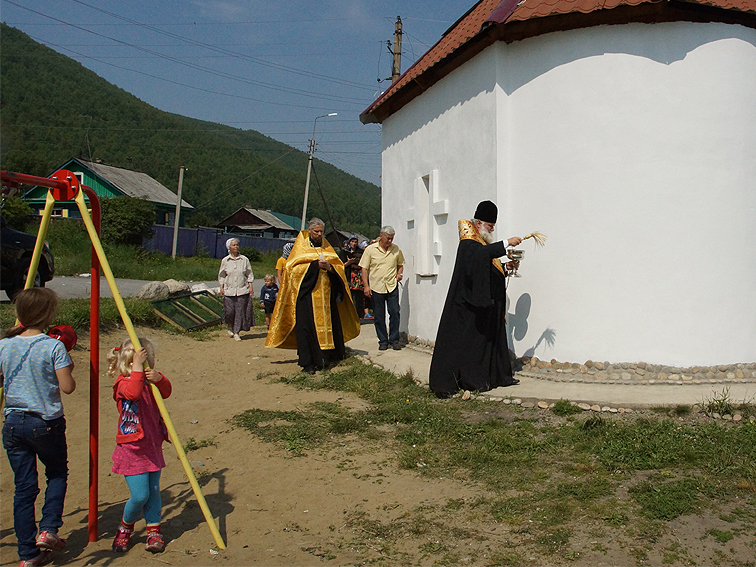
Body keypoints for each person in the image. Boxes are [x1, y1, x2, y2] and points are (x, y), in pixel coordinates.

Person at [1, 288, 76, 567]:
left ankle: (28, 554)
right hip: (45, 423)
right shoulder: (53, 346)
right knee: (56, 473)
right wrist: (68, 366)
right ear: (48, 315)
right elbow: (68, 387)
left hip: (13, 423)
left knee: (24, 488)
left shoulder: (5, 345)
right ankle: (48, 529)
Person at [429, 200, 523, 397]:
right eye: (490, 225)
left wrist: (505, 268)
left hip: (483, 306)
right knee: (467, 344)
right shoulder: (469, 244)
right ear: (478, 223)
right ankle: (466, 379)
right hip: (467, 307)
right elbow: (480, 257)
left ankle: (492, 376)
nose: (492, 229)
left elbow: (485, 269)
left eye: (494, 226)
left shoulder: (481, 244)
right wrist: (506, 243)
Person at [265, 218, 360, 374]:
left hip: (326, 297)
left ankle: (327, 357)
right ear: (309, 231)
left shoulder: (327, 247)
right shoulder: (300, 248)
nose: (319, 234)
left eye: (321, 231)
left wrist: (329, 267)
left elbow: (338, 268)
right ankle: (308, 362)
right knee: (307, 329)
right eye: (316, 231)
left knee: (329, 327)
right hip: (307, 297)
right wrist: (315, 265)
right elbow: (292, 271)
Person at [108, 337, 172, 554]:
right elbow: (133, 394)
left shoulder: (148, 382)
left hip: (151, 446)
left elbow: (166, 392)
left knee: (153, 492)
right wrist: (137, 368)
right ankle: (125, 527)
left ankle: (153, 531)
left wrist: (159, 379)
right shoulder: (122, 383)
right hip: (132, 449)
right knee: (139, 495)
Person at [359, 226, 405, 350]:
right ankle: (383, 341)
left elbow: (400, 263)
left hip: (391, 285)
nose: (390, 241)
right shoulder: (370, 250)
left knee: (394, 312)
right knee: (379, 316)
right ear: (381, 236)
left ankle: (394, 339)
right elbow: (364, 268)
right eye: (388, 238)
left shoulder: (396, 249)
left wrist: (399, 274)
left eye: (392, 238)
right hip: (376, 286)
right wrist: (366, 286)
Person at [218, 238, 255, 341]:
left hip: (242, 289)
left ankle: (236, 332)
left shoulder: (244, 259)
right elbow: (221, 275)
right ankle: (230, 325)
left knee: (239, 312)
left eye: (237, 245)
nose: (236, 247)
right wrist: (221, 287)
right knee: (229, 311)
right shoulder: (225, 260)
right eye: (233, 245)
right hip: (229, 290)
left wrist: (250, 286)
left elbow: (249, 273)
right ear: (229, 247)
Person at [342, 235, 372, 320]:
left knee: (359, 296)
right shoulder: (344, 252)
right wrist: (348, 263)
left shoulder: (360, 252)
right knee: (350, 295)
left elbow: (363, 263)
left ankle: (359, 314)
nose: (354, 243)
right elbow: (341, 265)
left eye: (355, 242)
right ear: (349, 242)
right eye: (352, 242)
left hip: (358, 276)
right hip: (349, 276)